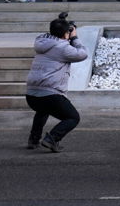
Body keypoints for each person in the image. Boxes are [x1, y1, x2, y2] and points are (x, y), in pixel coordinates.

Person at [25, 12, 88, 153]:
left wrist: (64, 29)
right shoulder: (63, 48)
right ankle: (52, 139)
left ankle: (33, 139)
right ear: (66, 33)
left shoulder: (42, 41)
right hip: (51, 95)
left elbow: (56, 39)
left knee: (42, 110)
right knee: (73, 117)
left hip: (31, 95)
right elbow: (82, 53)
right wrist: (75, 37)